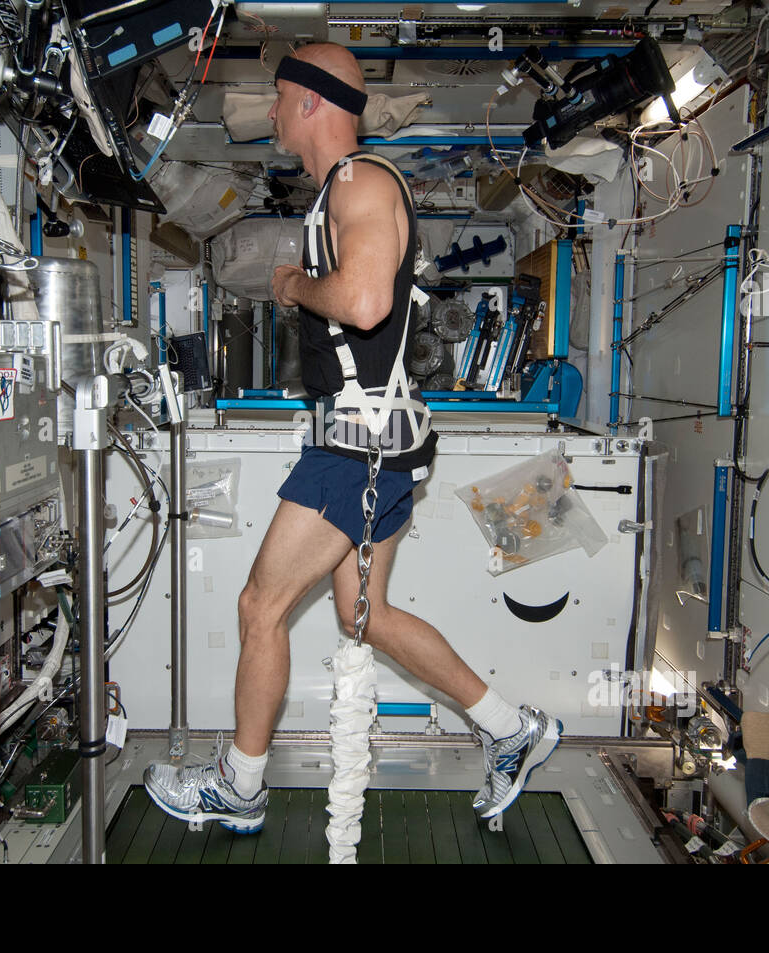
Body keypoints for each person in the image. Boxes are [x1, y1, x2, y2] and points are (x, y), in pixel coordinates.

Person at [144, 42, 561, 834]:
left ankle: (240, 785)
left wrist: (292, 283)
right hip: (379, 441)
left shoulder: (359, 182)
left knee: (259, 605)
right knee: (364, 615)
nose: (267, 111)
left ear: (310, 103)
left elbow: (366, 302)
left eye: (276, 97)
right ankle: (513, 729)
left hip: (355, 449)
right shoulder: (343, 190)